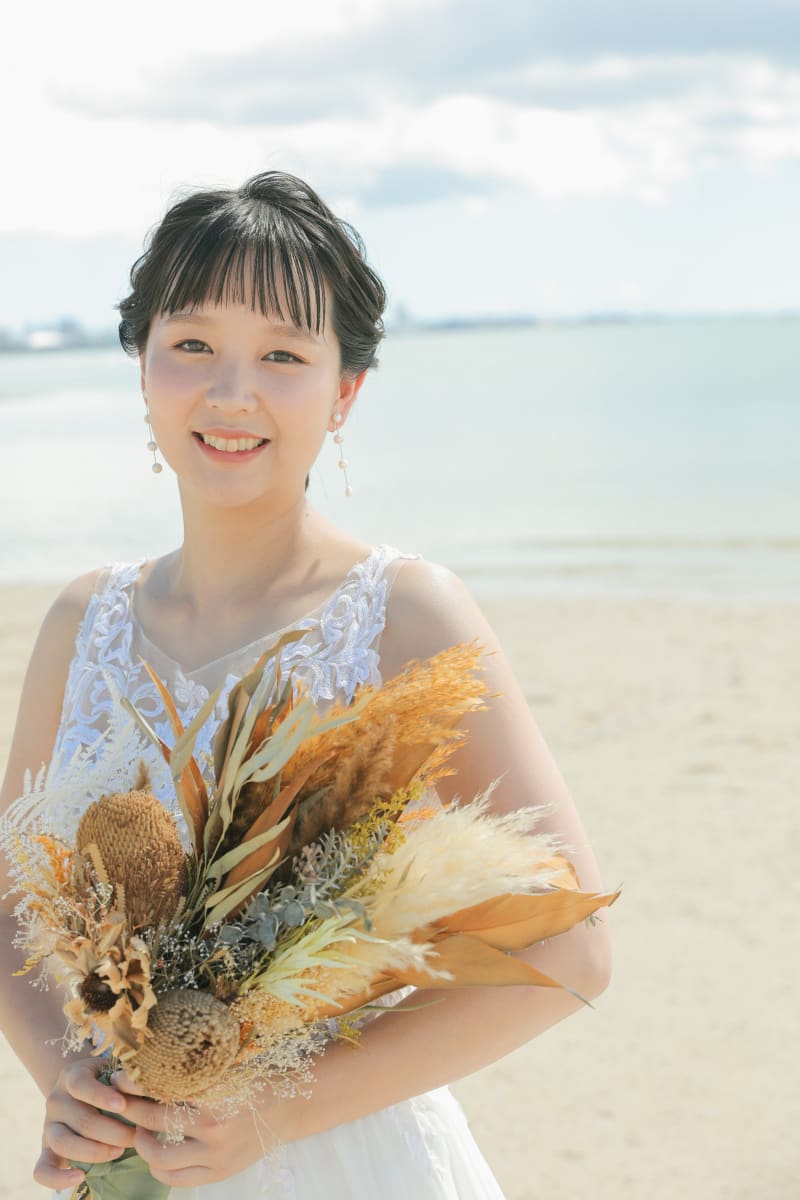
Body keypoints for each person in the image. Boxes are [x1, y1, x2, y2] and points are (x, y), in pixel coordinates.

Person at [0, 170, 611, 1198]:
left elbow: (573, 950)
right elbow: (9, 900)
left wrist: (273, 1113)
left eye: (282, 355)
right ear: (142, 367)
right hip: (134, 1162)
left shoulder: (407, 614)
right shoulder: (82, 622)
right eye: (192, 344)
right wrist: (66, 1075)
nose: (231, 392)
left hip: (345, 1161)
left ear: (344, 393)